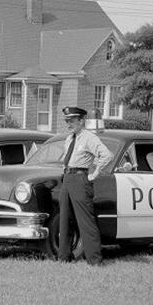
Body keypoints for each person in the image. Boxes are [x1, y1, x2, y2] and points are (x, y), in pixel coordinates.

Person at [55, 106, 114, 265]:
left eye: (72, 120)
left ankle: (94, 260)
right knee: (64, 220)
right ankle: (64, 257)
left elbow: (107, 155)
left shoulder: (89, 138)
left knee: (85, 221)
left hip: (80, 180)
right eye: (67, 120)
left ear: (81, 121)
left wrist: (94, 174)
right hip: (67, 179)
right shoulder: (70, 139)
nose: (69, 123)